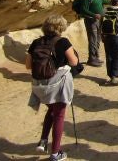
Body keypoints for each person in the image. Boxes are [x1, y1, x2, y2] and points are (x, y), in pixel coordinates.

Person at [26, 15, 79, 161]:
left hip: (40, 86)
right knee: (59, 116)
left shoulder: (36, 42)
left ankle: (43, 141)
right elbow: (74, 62)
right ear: (60, 27)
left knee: (51, 110)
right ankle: (55, 154)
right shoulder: (62, 42)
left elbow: (28, 65)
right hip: (57, 86)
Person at [80, 0, 110, 67]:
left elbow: (107, 2)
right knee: (92, 39)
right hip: (91, 21)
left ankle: (96, 57)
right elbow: (83, 9)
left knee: (97, 39)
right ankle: (91, 59)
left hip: (99, 21)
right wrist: (94, 15)